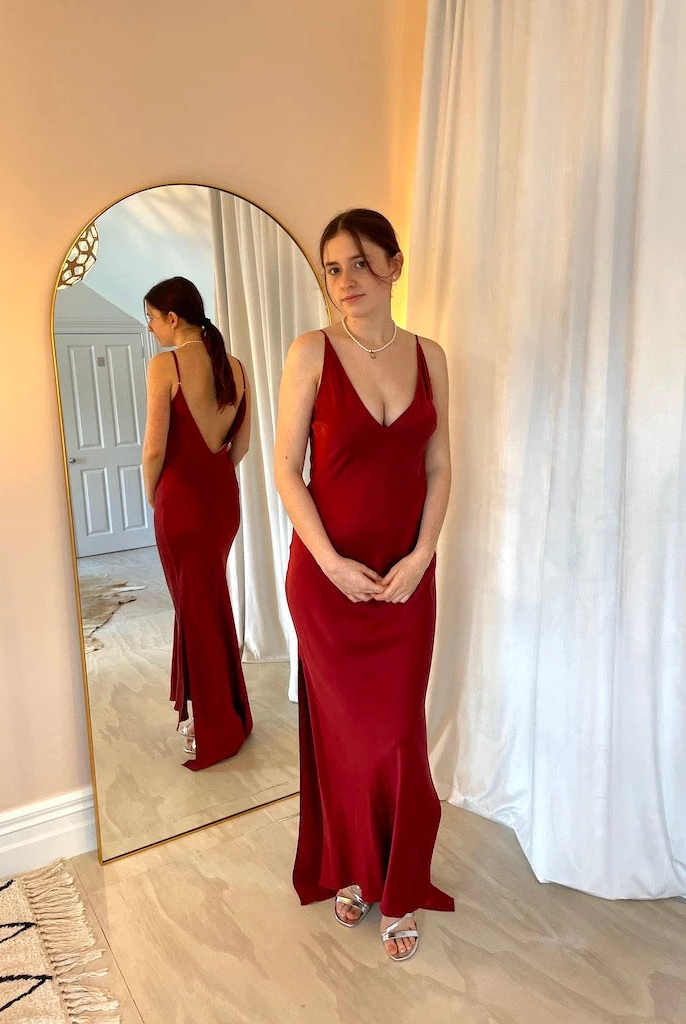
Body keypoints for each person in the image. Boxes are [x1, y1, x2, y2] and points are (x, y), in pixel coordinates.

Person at [274, 210, 455, 961]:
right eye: (333, 267)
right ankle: (351, 867)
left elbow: (439, 465)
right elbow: (286, 470)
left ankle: (400, 882)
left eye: (359, 262)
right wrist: (328, 562)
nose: (345, 280)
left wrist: (423, 554)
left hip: (407, 579)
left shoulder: (430, 356)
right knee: (346, 738)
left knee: (398, 736)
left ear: (394, 265)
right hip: (328, 581)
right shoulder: (310, 352)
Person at [142, 276, 253, 771]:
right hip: (222, 502)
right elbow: (241, 447)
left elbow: (154, 449)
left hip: (181, 504)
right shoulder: (236, 366)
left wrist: (155, 496)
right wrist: (211, 479)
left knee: (195, 611)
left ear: (172, 317)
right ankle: (227, 713)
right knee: (208, 605)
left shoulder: (164, 366)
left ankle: (213, 725)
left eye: (151, 318)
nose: (151, 328)